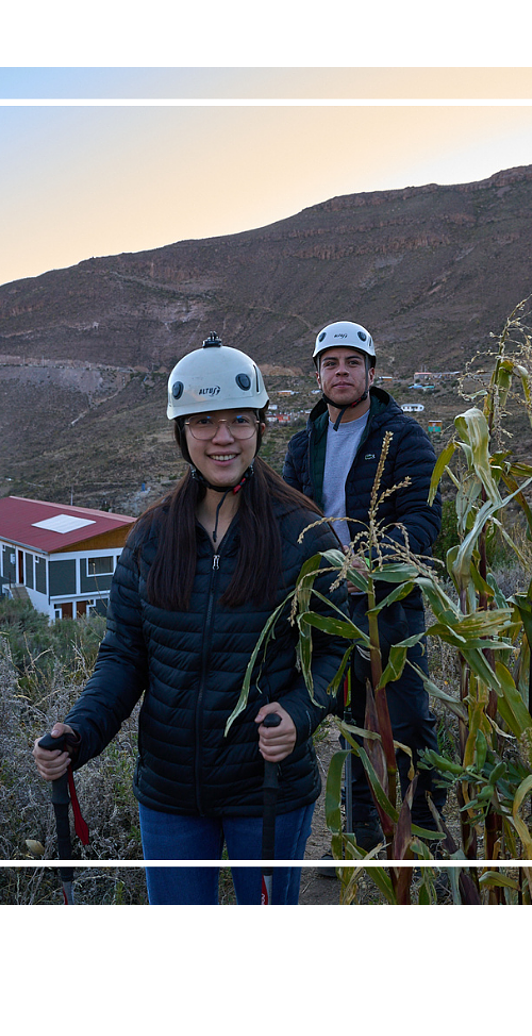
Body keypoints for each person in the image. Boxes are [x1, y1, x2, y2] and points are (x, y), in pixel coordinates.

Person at [34, 333, 346, 905]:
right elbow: (125, 656)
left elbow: (336, 650)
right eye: (204, 422)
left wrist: (300, 715)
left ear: (259, 427)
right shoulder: (151, 537)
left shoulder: (303, 534)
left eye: (238, 420)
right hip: (171, 793)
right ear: (182, 433)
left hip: (269, 788)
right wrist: (79, 731)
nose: (222, 437)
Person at [282, 320, 444, 853]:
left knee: (406, 720)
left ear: (372, 373)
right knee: (354, 724)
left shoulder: (403, 436)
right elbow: (287, 520)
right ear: (318, 374)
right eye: (331, 363)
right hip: (326, 605)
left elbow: (423, 518)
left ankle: (425, 834)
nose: (342, 372)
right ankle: (360, 838)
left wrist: (369, 557)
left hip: (390, 604)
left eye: (353, 363)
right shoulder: (304, 444)